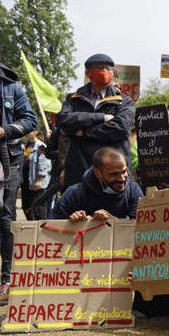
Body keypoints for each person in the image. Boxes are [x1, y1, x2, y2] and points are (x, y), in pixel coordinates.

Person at [0, 44, 37, 305]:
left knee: (5, 218)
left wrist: (3, 131)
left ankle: (8, 281)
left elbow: (30, 120)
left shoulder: (11, 86)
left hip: (6, 157)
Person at [57, 53, 135, 188]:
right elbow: (64, 120)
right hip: (79, 172)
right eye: (100, 67)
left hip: (114, 174)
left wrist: (85, 132)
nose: (105, 71)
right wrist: (101, 118)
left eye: (109, 68)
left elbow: (120, 128)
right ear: (88, 73)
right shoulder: (73, 99)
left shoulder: (124, 101)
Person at [50, 147, 143, 221]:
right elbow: (50, 226)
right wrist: (71, 222)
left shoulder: (133, 191)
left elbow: (142, 228)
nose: (122, 178)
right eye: (114, 174)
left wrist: (113, 222)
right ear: (97, 173)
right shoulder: (75, 194)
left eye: (124, 171)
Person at [21, 130, 51, 220]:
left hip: (36, 180)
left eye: (29, 130)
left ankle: (40, 230)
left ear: (35, 132)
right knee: (27, 206)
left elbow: (44, 164)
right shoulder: (26, 145)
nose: (26, 132)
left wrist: (39, 180)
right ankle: (32, 227)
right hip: (26, 179)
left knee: (38, 208)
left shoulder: (41, 146)